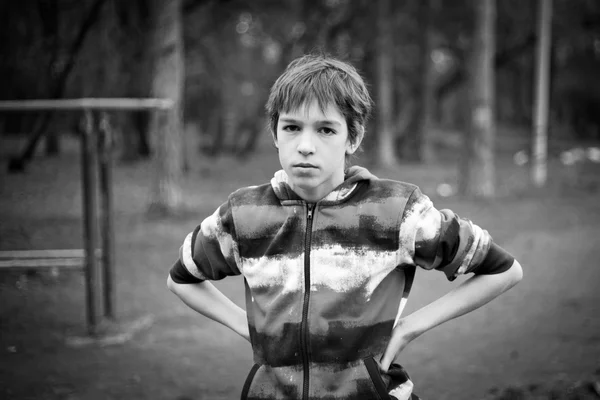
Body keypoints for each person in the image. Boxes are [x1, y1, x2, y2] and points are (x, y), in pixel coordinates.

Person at [167, 54, 523, 400]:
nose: (305, 146)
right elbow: (181, 278)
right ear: (275, 133)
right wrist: (252, 330)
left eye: (325, 129)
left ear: (352, 138)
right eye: (291, 127)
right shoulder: (244, 214)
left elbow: (504, 270)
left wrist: (410, 328)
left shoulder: (397, 210)